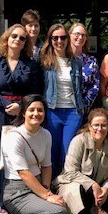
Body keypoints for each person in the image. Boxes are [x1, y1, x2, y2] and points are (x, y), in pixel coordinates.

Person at [0, 24, 39, 214]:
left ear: (25, 43)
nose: (17, 39)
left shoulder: (31, 64)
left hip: (22, 115)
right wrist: (7, 104)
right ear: (7, 38)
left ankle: (18, 198)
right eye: (14, 36)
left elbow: (34, 90)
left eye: (22, 38)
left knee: (17, 155)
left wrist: (21, 107)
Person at [1, 95, 67, 214]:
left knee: (61, 210)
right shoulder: (14, 137)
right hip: (16, 192)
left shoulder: (46, 134)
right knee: (58, 212)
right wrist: (47, 196)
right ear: (23, 113)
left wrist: (46, 189)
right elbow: (23, 172)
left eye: (40, 110)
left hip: (37, 186)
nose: (36, 113)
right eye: (31, 110)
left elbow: (46, 166)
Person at [53, 108, 108, 214]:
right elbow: (70, 171)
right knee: (78, 192)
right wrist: (93, 185)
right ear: (89, 126)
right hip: (72, 184)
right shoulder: (79, 141)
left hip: (98, 190)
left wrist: (106, 189)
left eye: (103, 125)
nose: (99, 129)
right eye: (96, 125)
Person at [40, 23, 84, 177]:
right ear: (50, 40)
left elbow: (79, 88)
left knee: (67, 151)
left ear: (68, 38)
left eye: (63, 37)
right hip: (52, 110)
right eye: (55, 38)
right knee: (52, 151)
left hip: (73, 111)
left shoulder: (76, 62)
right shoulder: (44, 61)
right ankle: (49, 186)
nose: (59, 41)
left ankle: (64, 184)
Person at [69, 22, 99, 114]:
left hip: (82, 109)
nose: (80, 38)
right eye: (77, 34)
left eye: (83, 35)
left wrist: (84, 104)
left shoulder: (91, 61)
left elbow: (95, 85)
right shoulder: (62, 58)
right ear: (69, 35)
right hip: (61, 105)